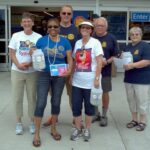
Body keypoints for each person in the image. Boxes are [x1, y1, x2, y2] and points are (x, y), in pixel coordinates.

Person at [32, 17, 73, 147]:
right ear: (47, 28)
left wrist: (70, 70)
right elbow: (33, 51)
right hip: (44, 73)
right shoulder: (41, 40)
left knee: (56, 101)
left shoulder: (65, 42)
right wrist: (32, 51)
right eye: (50, 27)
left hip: (59, 74)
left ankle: (53, 129)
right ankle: (36, 133)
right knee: (41, 103)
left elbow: (69, 58)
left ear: (59, 28)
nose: (53, 29)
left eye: (55, 26)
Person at [43, 4, 79, 127]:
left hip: (71, 68)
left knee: (73, 95)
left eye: (69, 13)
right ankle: (54, 117)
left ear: (72, 15)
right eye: (64, 13)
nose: (66, 15)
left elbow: (79, 50)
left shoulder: (76, 30)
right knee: (54, 95)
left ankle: (76, 118)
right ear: (60, 14)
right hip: (55, 68)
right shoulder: (54, 27)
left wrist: (73, 68)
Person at [8, 12, 42, 135]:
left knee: (32, 97)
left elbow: (39, 56)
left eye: (29, 21)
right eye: (24, 21)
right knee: (17, 97)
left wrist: (30, 64)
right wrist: (18, 64)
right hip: (17, 71)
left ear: (33, 23)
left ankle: (32, 122)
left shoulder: (38, 37)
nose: (27, 23)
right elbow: (12, 53)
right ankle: (19, 122)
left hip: (32, 72)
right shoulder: (16, 36)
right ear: (21, 23)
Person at [70, 21, 103, 141]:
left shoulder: (95, 43)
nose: (85, 29)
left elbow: (100, 61)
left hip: (90, 82)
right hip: (77, 82)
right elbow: (74, 61)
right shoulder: (78, 43)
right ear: (80, 29)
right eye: (82, 27)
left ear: (91, 30)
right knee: (76, 106)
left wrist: (97, 78)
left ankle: (87, 129)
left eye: (87, 28)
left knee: (89, 108)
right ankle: (78, 129)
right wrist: (71, 75)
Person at [93, 17, 118, 126]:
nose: (99, 27)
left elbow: (116, 55)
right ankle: (95, 113)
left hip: (106, 71)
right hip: (92, 71)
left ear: (106, 27)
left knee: (105, 93)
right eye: (98, 25)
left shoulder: (111, 38)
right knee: (93, 92)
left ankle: (104, 115)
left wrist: (107, 62)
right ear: (95, 26)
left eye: (102, 25)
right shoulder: (91, 37)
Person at [124, 27, 150, 131]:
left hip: (142, 79)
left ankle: (142, 121)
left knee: (141, 100)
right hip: (129, 78)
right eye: (132, 34)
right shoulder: (128, 46)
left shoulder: (145, 46)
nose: (134, 36)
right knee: (131, 100)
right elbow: (125, 59)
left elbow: (147, 61)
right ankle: (134, 120)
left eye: (136, 34)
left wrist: (132, 65)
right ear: (129, 36)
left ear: (141, 35)